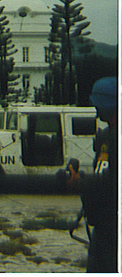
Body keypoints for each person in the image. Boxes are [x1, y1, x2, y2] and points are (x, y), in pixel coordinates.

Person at [79, 76, 118, 273]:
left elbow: (112, 183)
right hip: (102, 227)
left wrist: (80, 182)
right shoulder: (105, 136)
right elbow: (101, 173)